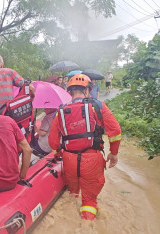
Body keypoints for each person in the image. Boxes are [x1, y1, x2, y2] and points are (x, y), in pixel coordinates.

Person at [48, 74, 121, 221]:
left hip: (69, 161)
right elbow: (115, 132)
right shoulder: (98, 106)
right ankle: (88, 227)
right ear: (87, 90)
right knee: (88, 201)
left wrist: (58, 153)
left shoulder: (60, 111)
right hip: (92, 160)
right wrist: (113, 153)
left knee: (72, 194)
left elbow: (53, 141)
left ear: (69, 92)